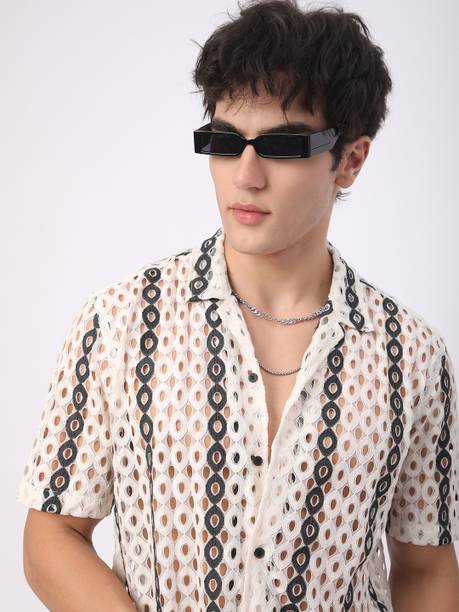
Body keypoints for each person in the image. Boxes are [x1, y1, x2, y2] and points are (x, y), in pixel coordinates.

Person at [18, 1, 459, 610]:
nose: (245, 175)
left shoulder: (410, 355)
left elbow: (426, 566)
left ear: (351, 160)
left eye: (282, 146)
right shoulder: (120, 322)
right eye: (225, 141)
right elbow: (51, 536)